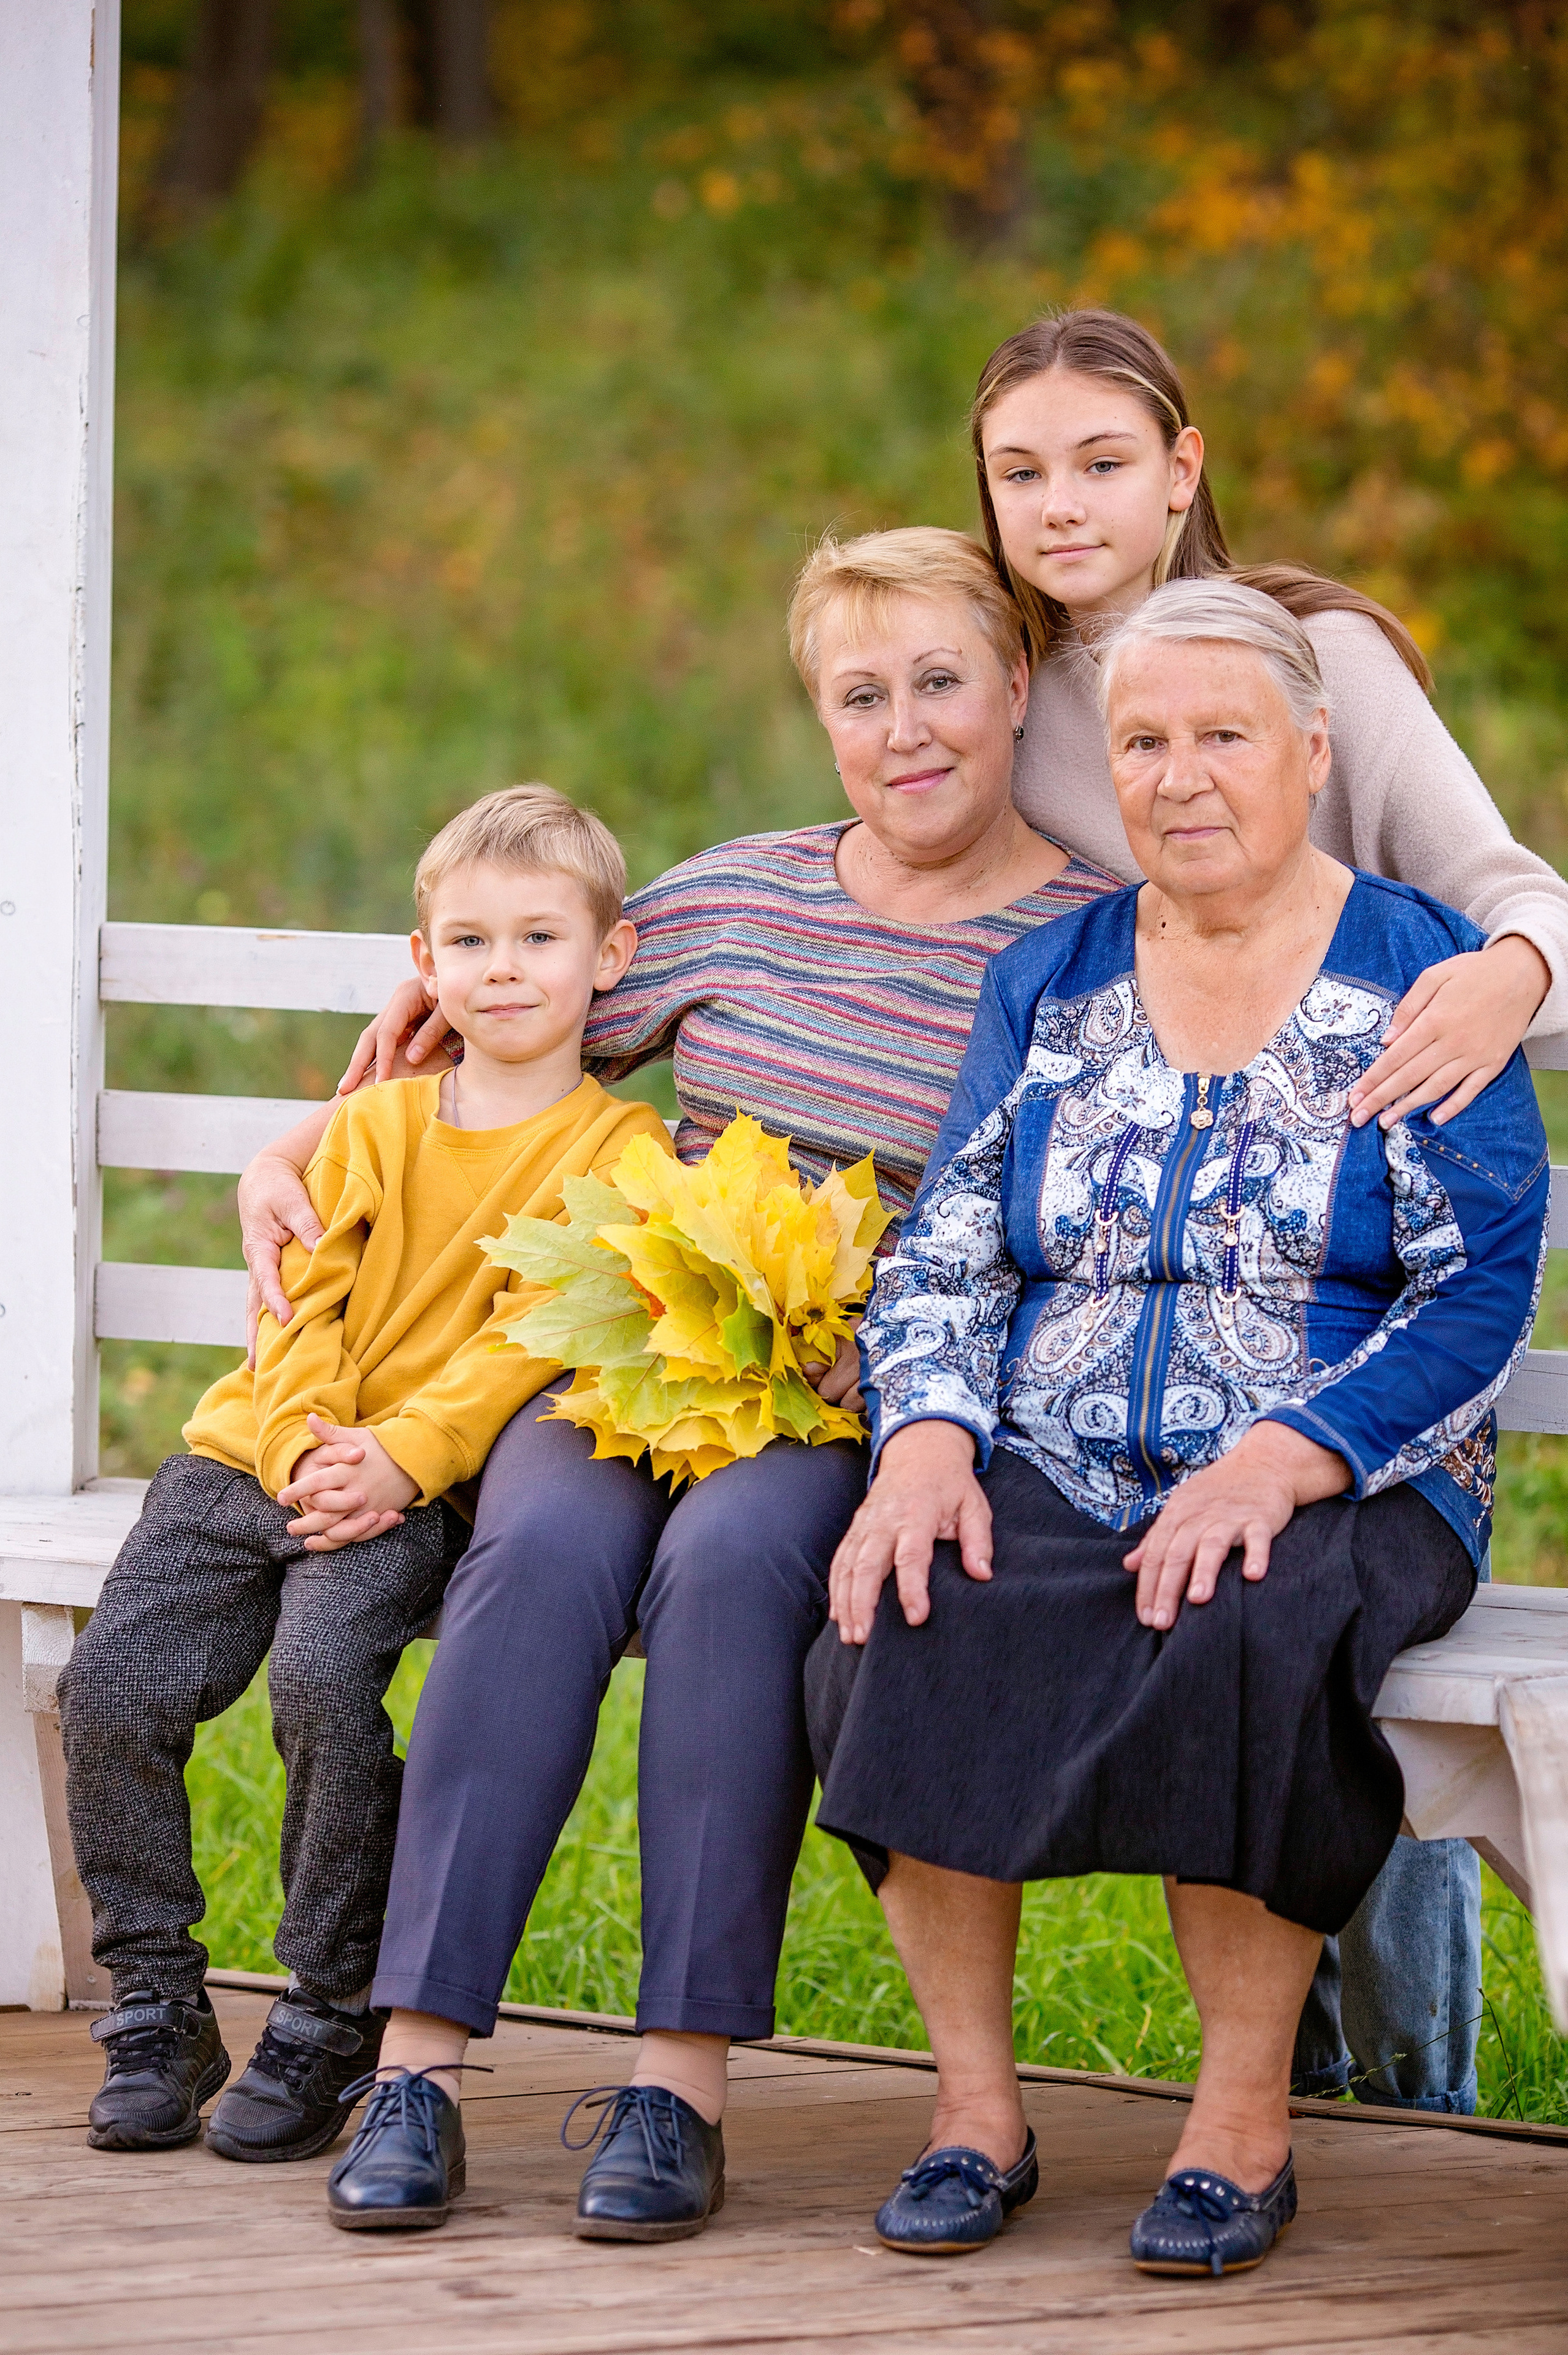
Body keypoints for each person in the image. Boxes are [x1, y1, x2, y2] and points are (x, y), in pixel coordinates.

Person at [240, 529, 1123, 2236]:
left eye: (942, 681)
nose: (906, 728)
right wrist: (287, 1151)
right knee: (540, 1547)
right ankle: (414, 2064)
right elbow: (456, 1028)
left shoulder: (1084, 938)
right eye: (861, 696)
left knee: (731, 1570)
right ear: (822, 718)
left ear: (1018, 688)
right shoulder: (737, 891)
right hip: (634, 1354)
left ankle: (674, 2081)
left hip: (850, 1387)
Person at [806, 580, 1548, 2272]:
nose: (1181, 775)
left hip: (1349, 1463)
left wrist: (1285, 1459)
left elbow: (1482, 1283)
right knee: (907, 1601)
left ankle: (1239, 2130)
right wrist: (923, 1435)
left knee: (1249, 1623)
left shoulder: (1418, 974)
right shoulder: (1052, 975)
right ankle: (975, 2113)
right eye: (1144, 741)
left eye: (1224, 737)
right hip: (1060, 1443)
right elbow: (952, 1242)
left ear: (1308, 750)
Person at [970, 307, 1568, 2116]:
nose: (1063, 505)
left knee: (1308, 1608)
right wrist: (534, 975)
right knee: (1156, 1558)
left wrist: (1507, 970)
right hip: (1155, 1263)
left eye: (1102, 462)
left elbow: (1507, 881)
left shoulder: (1319, 659)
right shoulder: (1014, 706)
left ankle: (1418, 2082)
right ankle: (1279, 2057)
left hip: (1369, 1247)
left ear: (1184, 470)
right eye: (1021, 472)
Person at [58, 786, 667, 2172]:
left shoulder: (616, 1152)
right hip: (250, 1456)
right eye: (468, 942)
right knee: (111, 1691)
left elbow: (533, 1339)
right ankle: (157, 2002)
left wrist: (396, 1459)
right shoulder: (379, 1122)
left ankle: (329, 2012)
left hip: (408, 1492)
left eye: (536, 938)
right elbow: (299, 1296)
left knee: (323, 1688)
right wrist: (302, 1450)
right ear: (423, 962)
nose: (500, 970)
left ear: (608, 958)